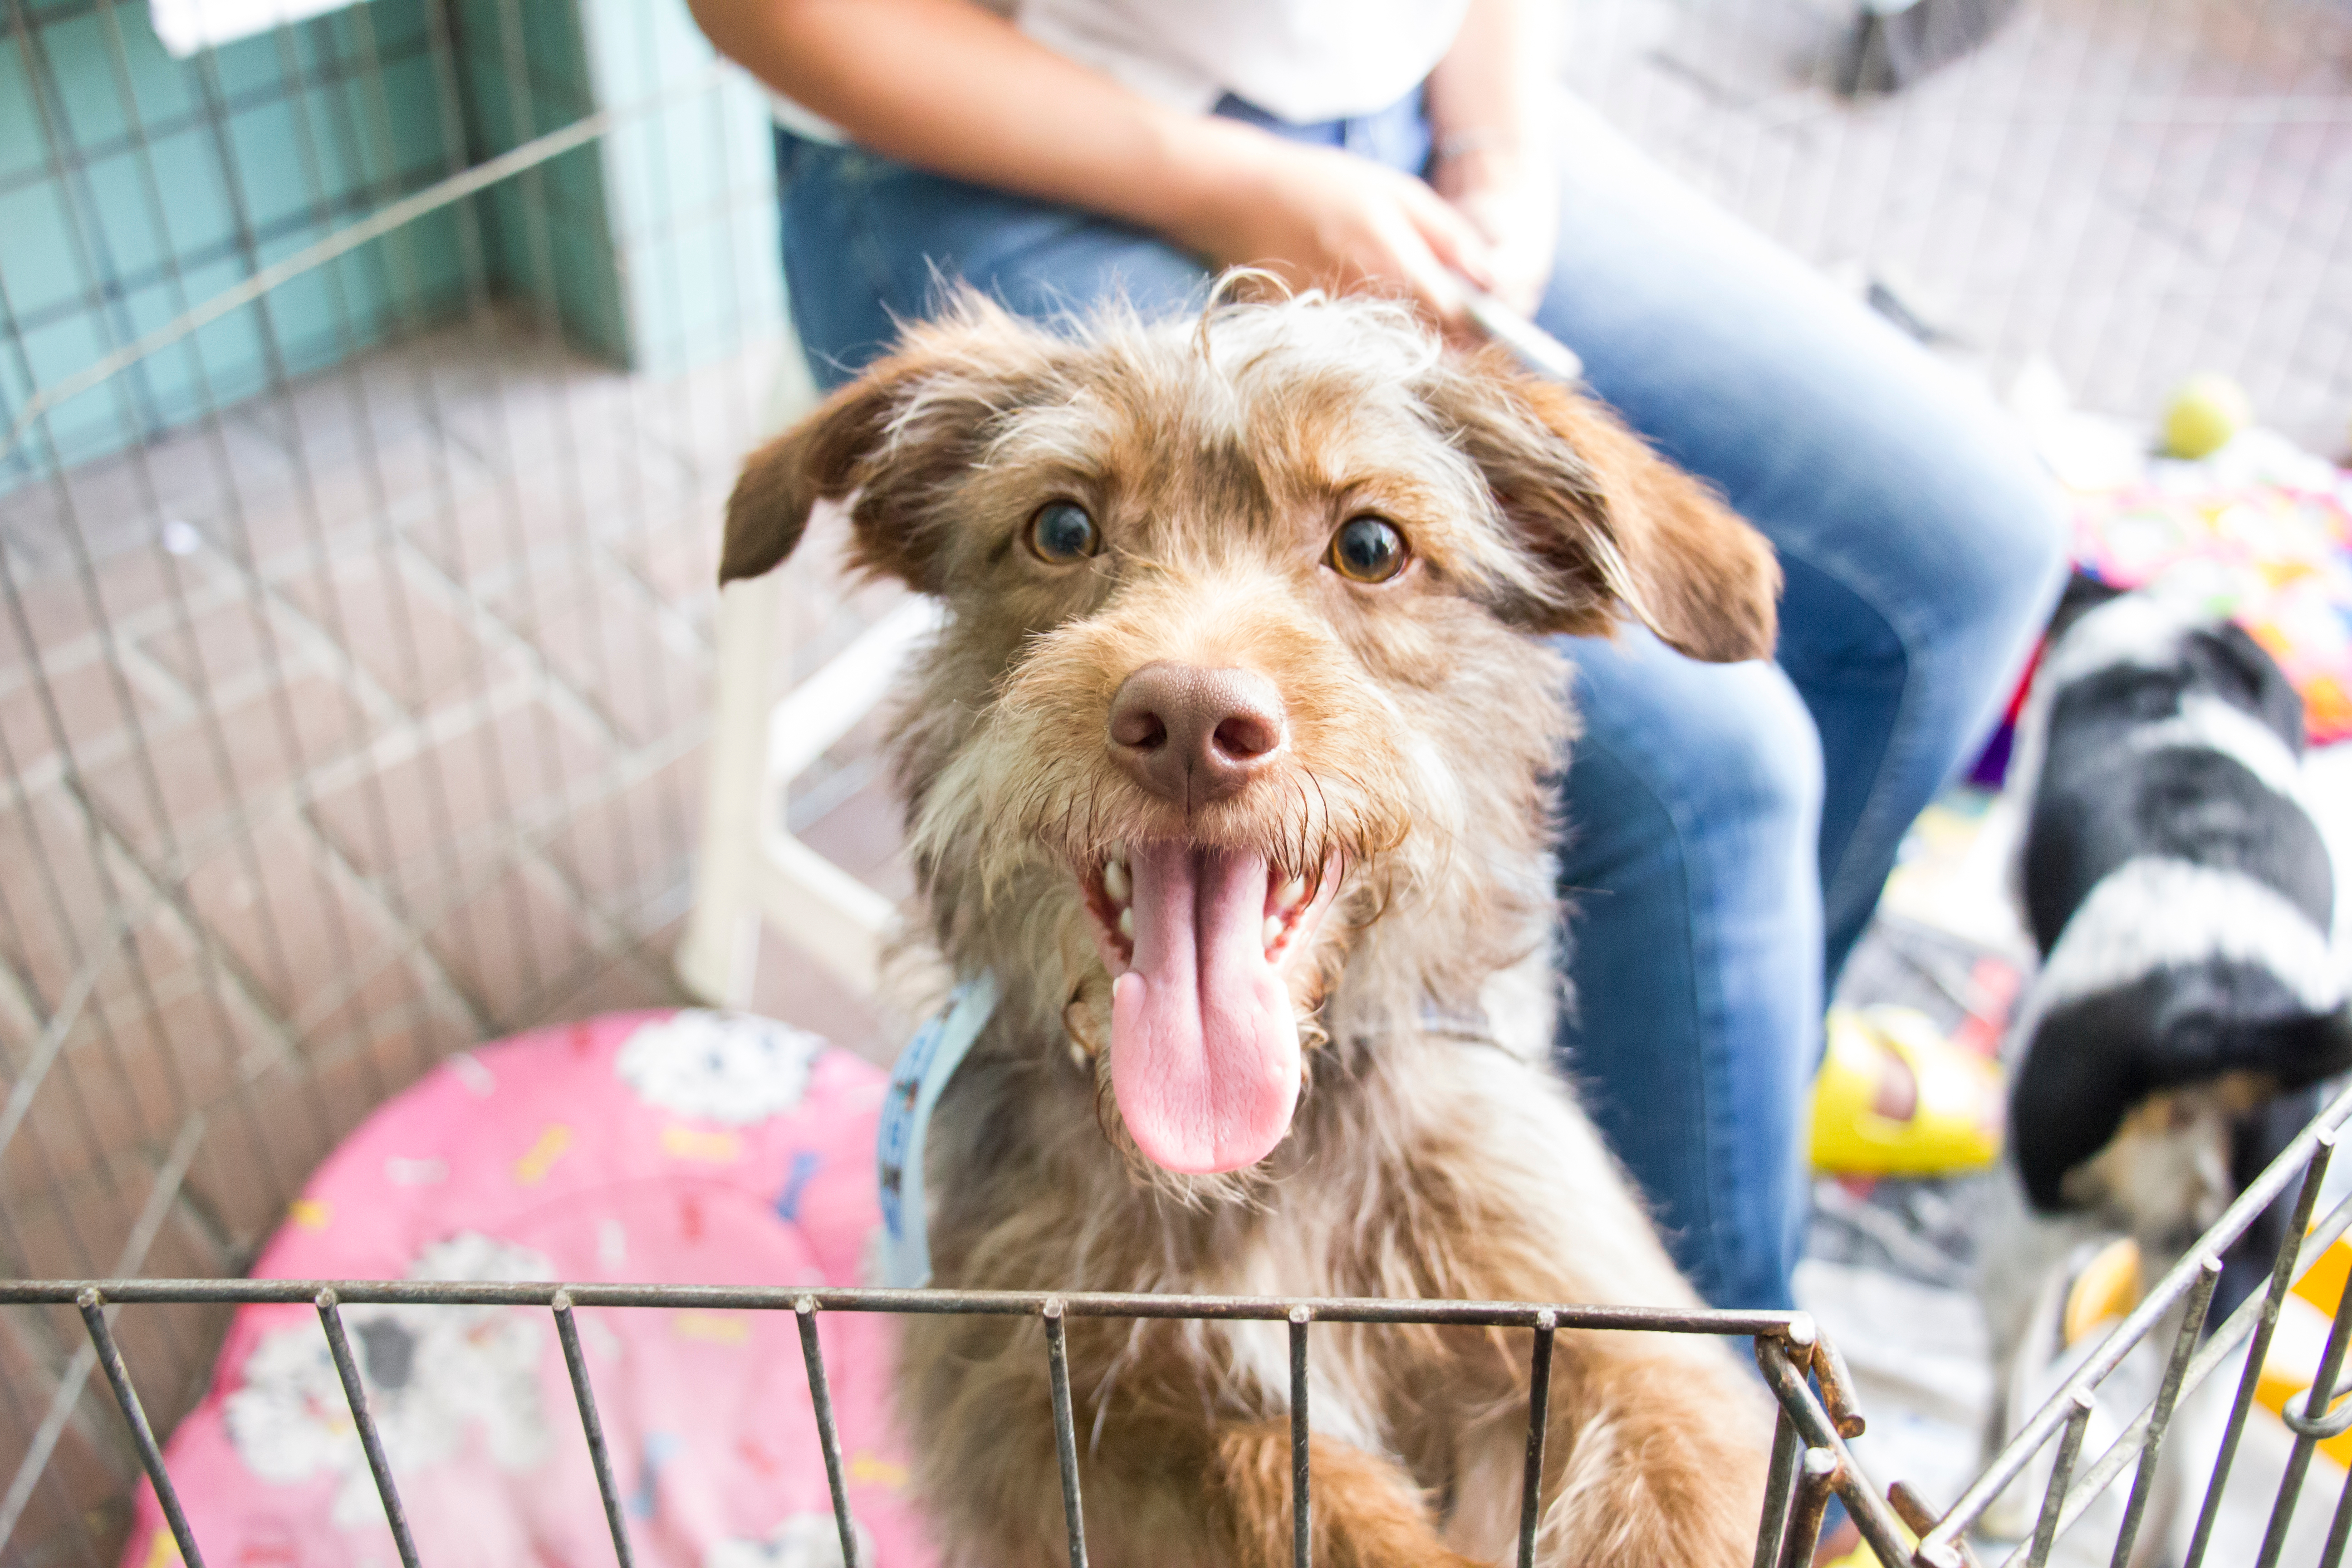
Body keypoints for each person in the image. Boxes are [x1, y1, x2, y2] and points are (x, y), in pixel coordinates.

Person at [689, 0, 2068, 1319]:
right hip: (989, 126)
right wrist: (1234, 186)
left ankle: (1718, 1076)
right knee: (1719, 773)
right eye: (1067, 531)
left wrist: (1499, 156)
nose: (1200, 672)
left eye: (1363, 550)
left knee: (1975, 554)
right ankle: (1740, 1366)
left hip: (1406, 121)